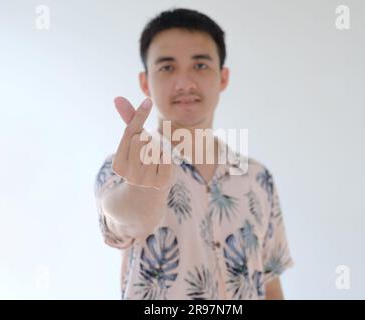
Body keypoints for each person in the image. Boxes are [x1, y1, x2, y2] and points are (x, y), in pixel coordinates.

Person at [94, 8, 294, 300]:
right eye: (167, 67)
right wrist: (144, 189)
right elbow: (125, 219)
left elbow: (271, 282)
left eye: (200, 66)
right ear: (145, 82)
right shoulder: (123, 168)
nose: (185, 83)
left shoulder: (257, 177)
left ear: (223, 78)